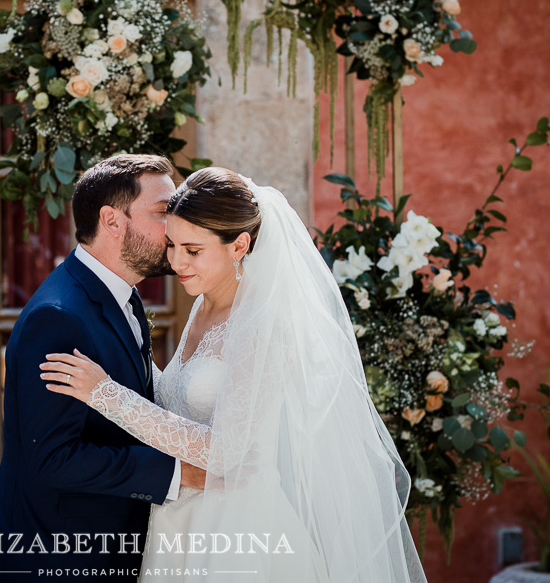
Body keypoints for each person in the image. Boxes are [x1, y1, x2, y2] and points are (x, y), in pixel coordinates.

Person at [41, 168, 428, 582]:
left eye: (193, 249)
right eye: (172, 245)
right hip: (180, 521)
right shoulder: (203, 305)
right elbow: (181, 399)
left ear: (239, 245)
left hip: (236, 526)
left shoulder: (262, 322)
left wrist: (107, 394)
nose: (175, 261)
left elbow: (225, 452)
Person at [0, 154, 207, 583]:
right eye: (164, 212)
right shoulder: (58, 316)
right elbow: (53, 458)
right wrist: (177, 473)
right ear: (112, 221)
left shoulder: (122, 295)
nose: (177, 227)